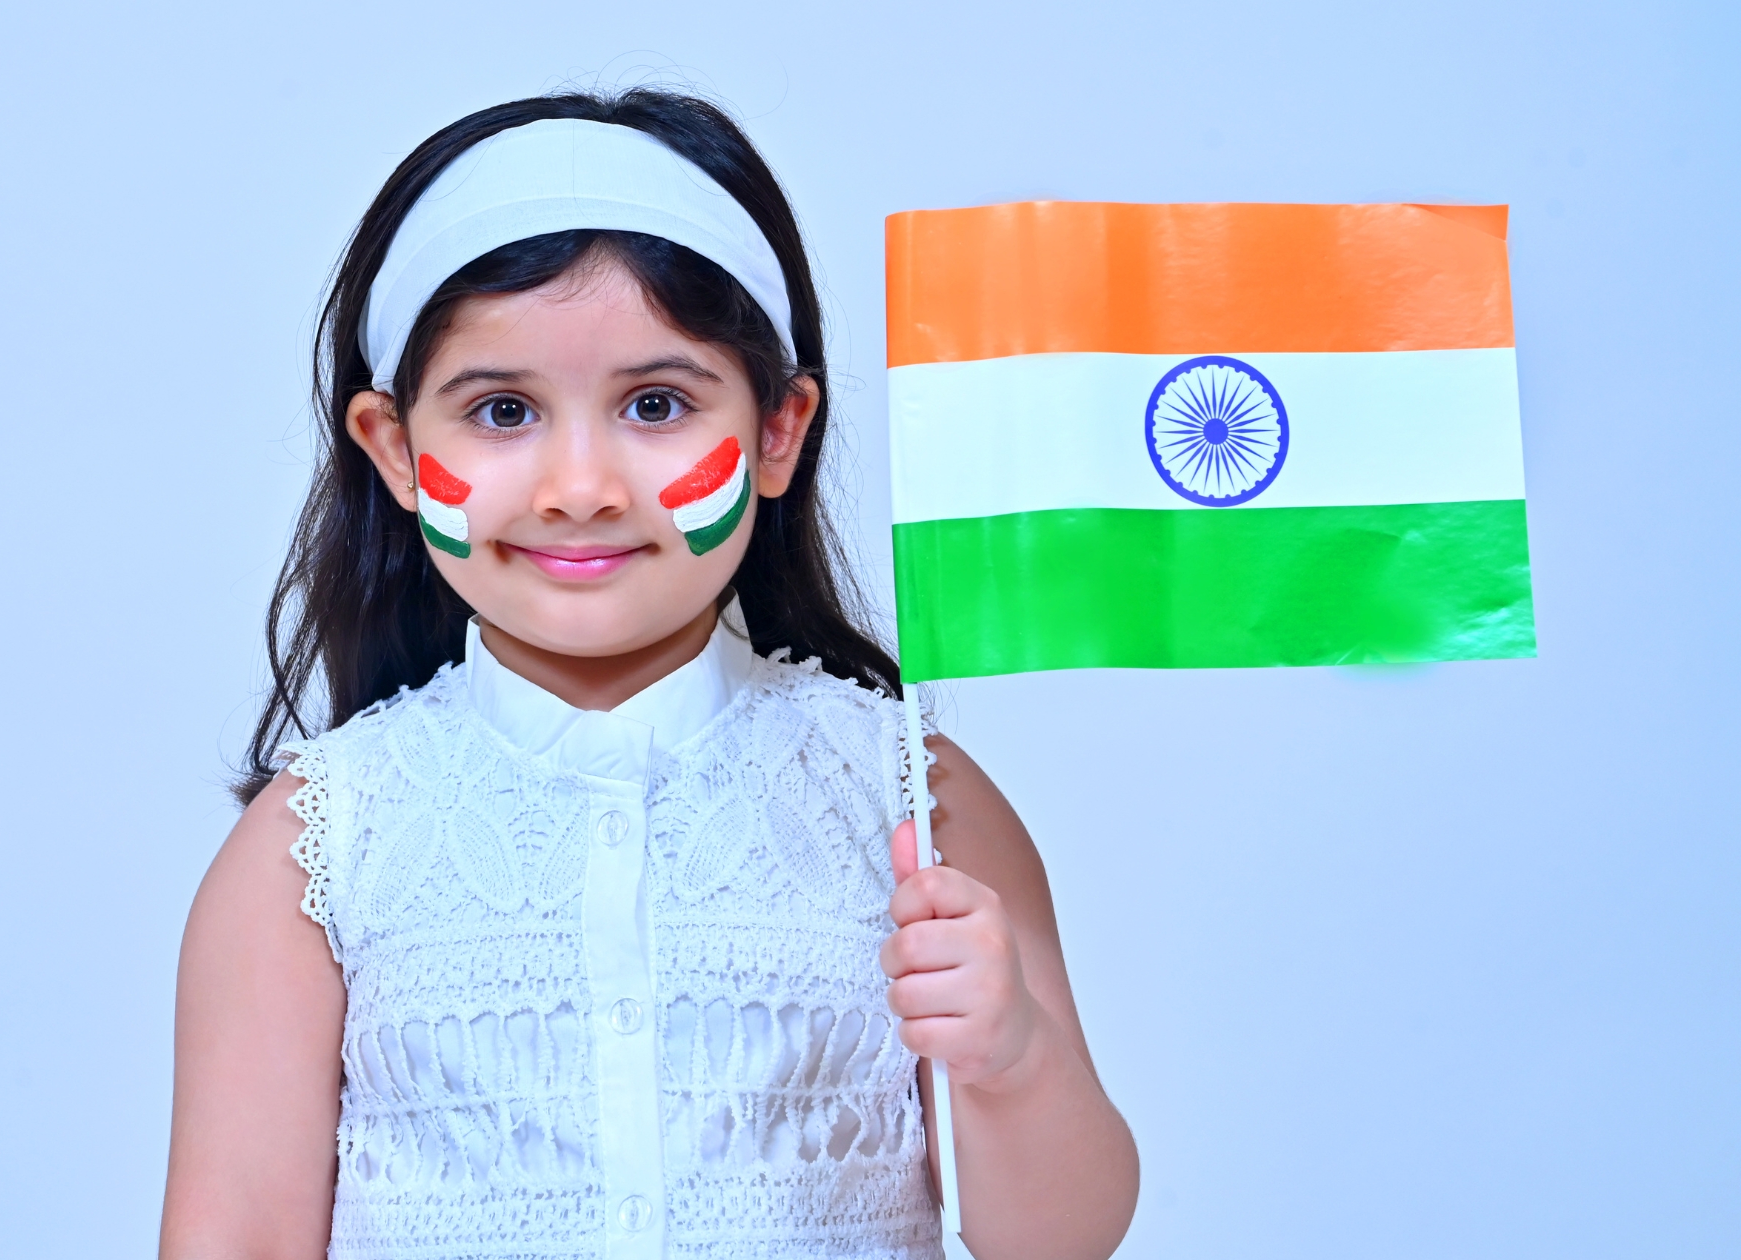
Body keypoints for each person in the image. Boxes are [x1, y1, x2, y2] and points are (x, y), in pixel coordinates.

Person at [159, 88, 1138, 1260]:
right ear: (396, 450)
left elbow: (1062, 1239)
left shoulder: (910, 799)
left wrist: (1008, 1057)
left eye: (656, 404)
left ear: (779, 431)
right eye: (504, 410)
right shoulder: (320, 841)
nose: (581, 485)